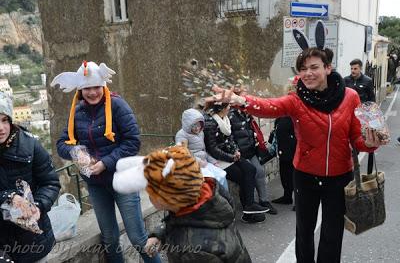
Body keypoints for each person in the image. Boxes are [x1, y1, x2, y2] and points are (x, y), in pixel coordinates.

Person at [206, 47, 387, 262]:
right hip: (305, 175)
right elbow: (269, 106)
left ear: (328, 68)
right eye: (303, 69)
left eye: (314, 67)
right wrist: (241, 101)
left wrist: (370, 142)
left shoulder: (350, 97)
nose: (308, 73)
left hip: (339, 177)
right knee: (304, 231)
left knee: (333, 233)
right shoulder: (296, 100)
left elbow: (357, 139)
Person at [52, 61, 161, 263]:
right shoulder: (76, 112)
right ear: (80, 90)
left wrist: (105, 163)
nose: (92, 92)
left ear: (103, 86)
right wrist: (75, 152)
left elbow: (133, 141)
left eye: (96, 87)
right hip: (96, 185)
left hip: (123, 181)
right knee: (109, 239)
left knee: (138, 238)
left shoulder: (118, 105)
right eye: (87, 88)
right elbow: (62, 143)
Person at [112, 144, 252, 263]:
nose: (148, 197)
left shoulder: (193, 251)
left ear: (167, 199)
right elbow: (183, 221)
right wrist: (160, 234)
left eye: (150, 192)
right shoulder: (207, 196)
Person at [0, 92, 61, 262]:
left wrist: (38, 206)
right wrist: (9, 197)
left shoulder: (30, 145)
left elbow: (50, 182)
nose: (1, 128)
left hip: (31, 240)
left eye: (5, 120)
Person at [203, 102, 268, 223]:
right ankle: (248, 210)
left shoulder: (226, 119)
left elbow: (231, 139)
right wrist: (231, 157)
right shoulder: (211, 123)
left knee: (251, 169)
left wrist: (236, 151)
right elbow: (212, 149)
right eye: (227, 106)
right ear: (221, 108)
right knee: (242, 176)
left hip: (230, 156)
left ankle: (249, 206)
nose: (229, 108)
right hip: (219, 161)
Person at [229, 88, 277, 215]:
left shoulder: (246, 112)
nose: (246, 99)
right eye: (244, 96)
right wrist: (235, 150)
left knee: (260, 172)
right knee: (248, 174)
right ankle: (248, 205)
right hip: (239, 152)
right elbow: (230, 135)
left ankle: (264, 201)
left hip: (250, 150)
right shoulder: (231, 114)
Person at [175, 108, 228, 190]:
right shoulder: (182, 135)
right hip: (192, 165)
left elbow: (204, 151)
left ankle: (226, 197)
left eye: (199, 125)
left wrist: (213, 161)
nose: (197, 128)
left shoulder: (200, 133)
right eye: (193, 126)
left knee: (221, 175)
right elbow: (183, 154)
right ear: (187, 125)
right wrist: (199, 162)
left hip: (204, 162)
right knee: (212, 180)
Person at [344, 58, 376, 174]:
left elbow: (372, 100)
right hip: (348, 116)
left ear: (360, 68)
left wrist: (372, 118)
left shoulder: (367, 81)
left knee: (359, 141)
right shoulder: (346, 80)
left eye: (355, 68)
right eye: (351, 68)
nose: (353, 71)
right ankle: (351, 167)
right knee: (349, 143)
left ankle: (361, 169)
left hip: (362, 118)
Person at [271, 116, 296, 209]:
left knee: (293, 176)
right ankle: (287, 197)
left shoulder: (294, 115)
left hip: (292, 151)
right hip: (283, 151)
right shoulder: (282, 116)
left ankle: (298, 202)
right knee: (285, 175)